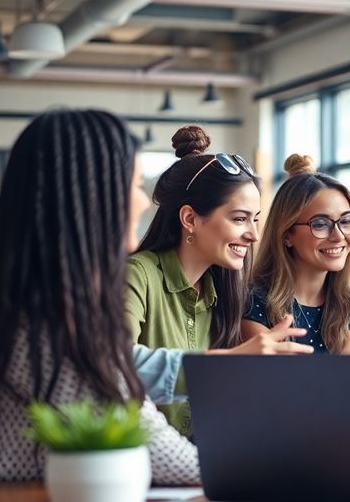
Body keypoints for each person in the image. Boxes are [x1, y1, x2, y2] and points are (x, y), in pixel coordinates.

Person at [0, 109, 199, 485]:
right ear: (92, 196)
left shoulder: (17, 299)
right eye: (133, 185)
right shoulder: (53, 320)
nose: (144, 203)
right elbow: (162, 454)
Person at [128, 125, 306, 437]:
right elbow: (115, 367)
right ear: (190, 219)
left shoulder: (227, 291)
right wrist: (227, 363)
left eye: (255, 219)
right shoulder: (137, 275)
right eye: (239, 219)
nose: (252, 234)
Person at [242, 154, 350, 354]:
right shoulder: (254, 303)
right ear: (286, 234)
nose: (338, 236)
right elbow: (274, 383)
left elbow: (349, 382)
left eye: (345, 221)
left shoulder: (347, 301)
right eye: (320, 224)